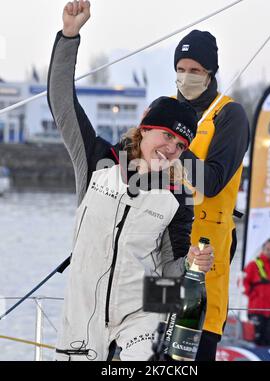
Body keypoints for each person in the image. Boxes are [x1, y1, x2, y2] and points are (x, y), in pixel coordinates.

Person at [47, 0, 214, 361]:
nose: (172, 148)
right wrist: (69, 36)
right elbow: (62, 104)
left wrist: (192, 267)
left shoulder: (176, 195)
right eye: (167, 136)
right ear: (145, 128)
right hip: (80, 328)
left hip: (137, 332)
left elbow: (170, 272)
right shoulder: (98, 163)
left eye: (181, 144)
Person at [172, 30, 250, 359]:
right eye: (180, 69)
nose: (185, 77)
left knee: (189, 355)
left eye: (195, 70)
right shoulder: (167, 110)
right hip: (165, 258)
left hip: (203, 263)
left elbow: (213, 181)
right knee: (148, 355)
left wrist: (177, 144)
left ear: (211, 74)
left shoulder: (229, 115)